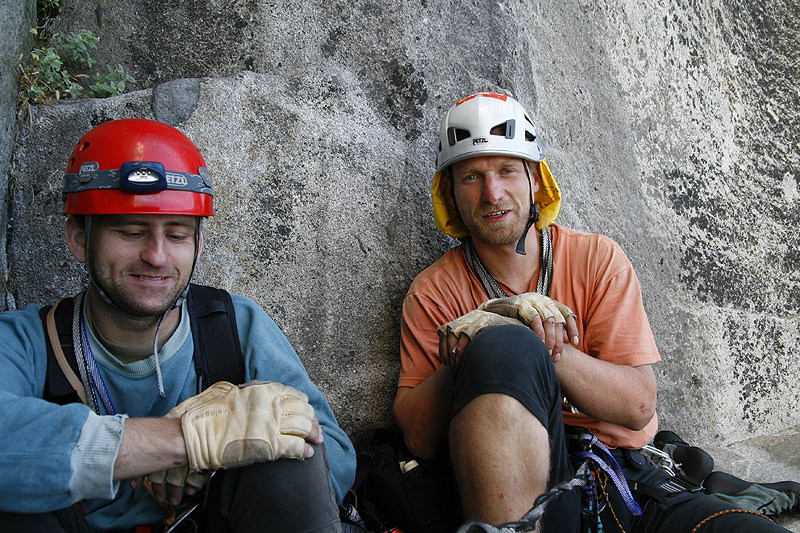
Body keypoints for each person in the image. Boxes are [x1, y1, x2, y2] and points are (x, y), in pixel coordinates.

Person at [393, 92, 788, 532]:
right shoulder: (434, 293)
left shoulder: (596, 259)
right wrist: (475, 352)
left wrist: (547, 345)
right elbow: (419, 439)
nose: (492, 193)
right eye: (471, 177)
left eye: (507, 170)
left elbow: (638, 405)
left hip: (622, 479)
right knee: (501, 345)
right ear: (450, 193)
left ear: (535, 182)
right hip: (516, 486)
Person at [0, 118, 356, 532]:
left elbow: (336, 459)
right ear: (79, 237)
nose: (156, 256)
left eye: (177, 234)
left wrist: (226, 455)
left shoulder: (234, 326)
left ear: (198, 244)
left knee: (292, 455)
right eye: (131, 231)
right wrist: (184, 441)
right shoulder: (26, 342)